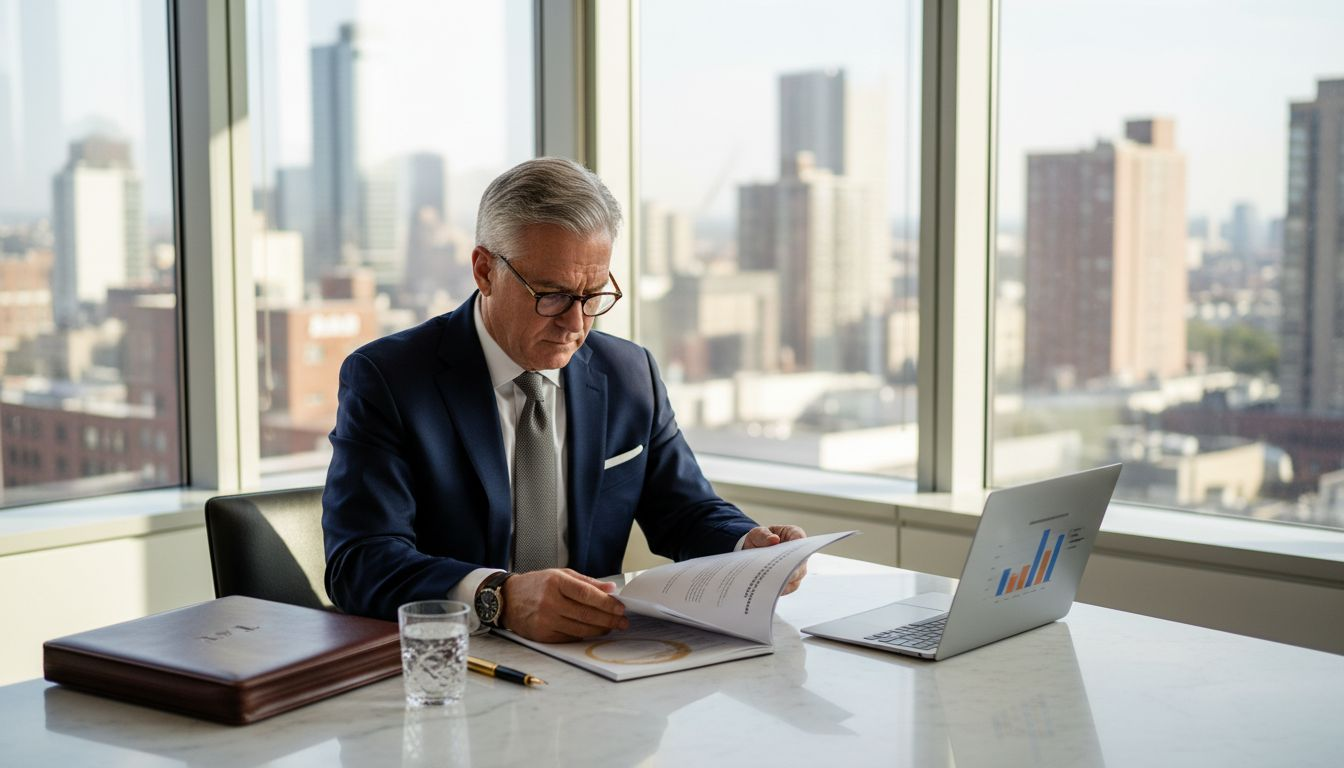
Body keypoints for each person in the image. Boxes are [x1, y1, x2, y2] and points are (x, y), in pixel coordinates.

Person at [322, 157, 807, 643]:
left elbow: (685, 511)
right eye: (551, 295)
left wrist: (751, 548)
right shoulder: (389, 378)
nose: (576, 325)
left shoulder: (629, 373)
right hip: (459, 661)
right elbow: (359, 562)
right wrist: (501, 597)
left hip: (595, 662)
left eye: (592, 295)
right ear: (484, 270)